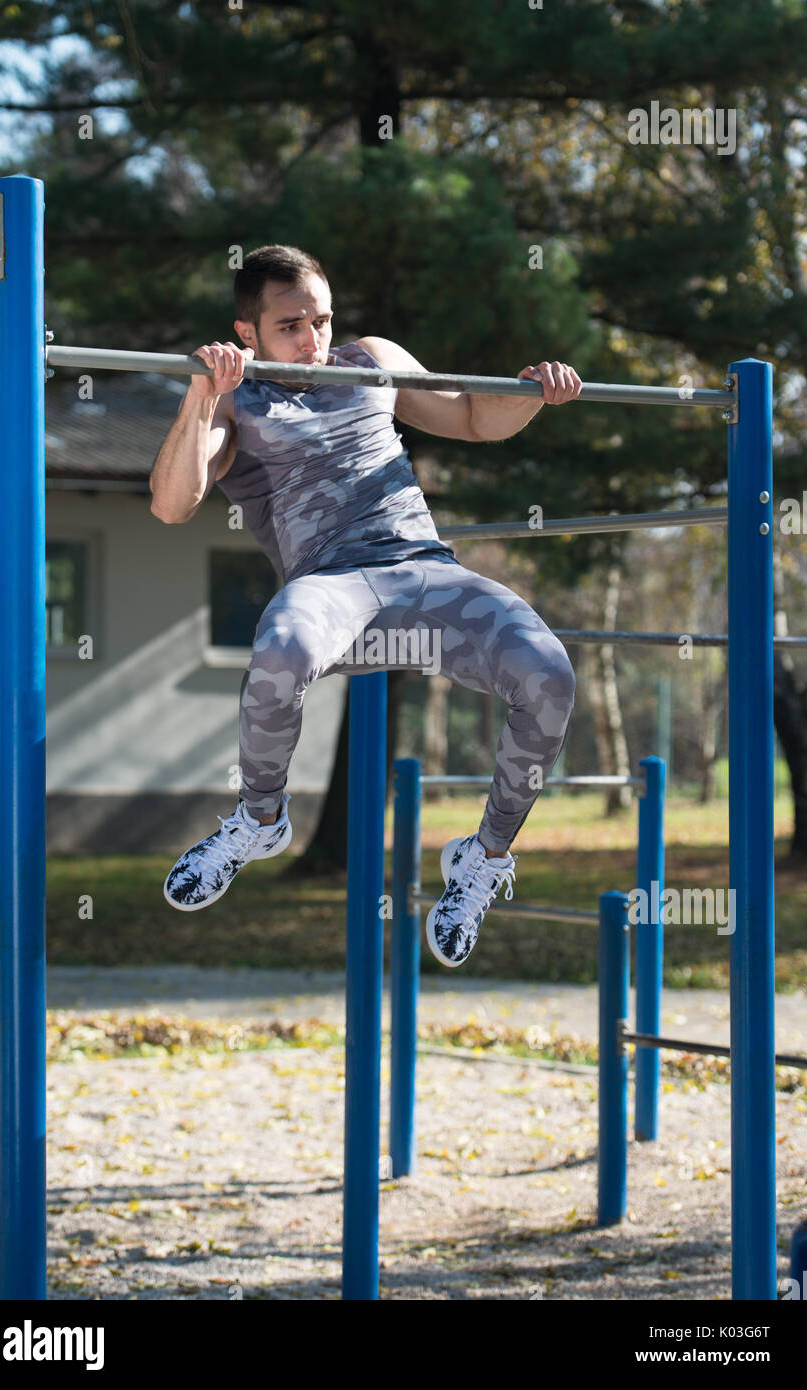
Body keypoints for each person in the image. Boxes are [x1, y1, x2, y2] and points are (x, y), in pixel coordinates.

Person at [149, 244, 581, 967]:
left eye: (320, 319)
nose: (311, 339)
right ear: (247, 331)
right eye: (290, 326)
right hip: (332, 592)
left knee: (549, 675)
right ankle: (259, 820)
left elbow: (475, 417)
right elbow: (171, 505)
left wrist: (532, 393)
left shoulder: (369, 360)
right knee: (280, 645)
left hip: (425, 576)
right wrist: (199, 396)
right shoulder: (237, 398)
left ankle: (483, 857)